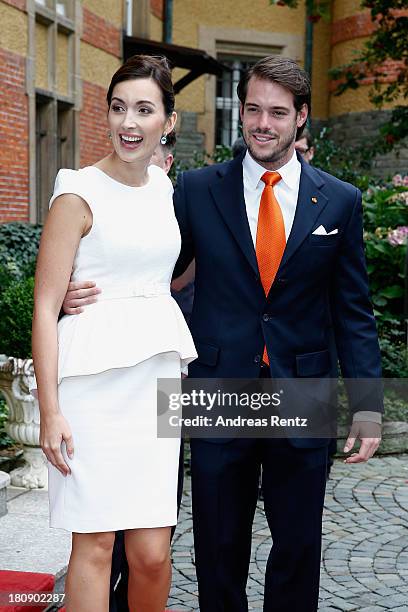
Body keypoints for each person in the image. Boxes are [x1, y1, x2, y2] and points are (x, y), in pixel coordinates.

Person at [62, 56, 382, 612]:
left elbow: (353, 310)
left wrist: (368, 406)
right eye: (252, 109)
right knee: (217, 546)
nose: (262, 122)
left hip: (301, 391)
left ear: (301, 118)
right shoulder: (194, 190)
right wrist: (75, 293)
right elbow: (151, 264)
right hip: (218, 385)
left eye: (277, 113)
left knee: (299, 546)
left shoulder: (340, 202)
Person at [32, 54, 196, 612]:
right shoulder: (76, 192)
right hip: (90, 387)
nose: (129, 123)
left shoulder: (163, 188)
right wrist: (50, 411)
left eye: (144, 110)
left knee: (152, 552)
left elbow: (163, 268)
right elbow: (46, 305)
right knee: (97, 542)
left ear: (167, 122)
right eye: (119, 108)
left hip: (156, 380)